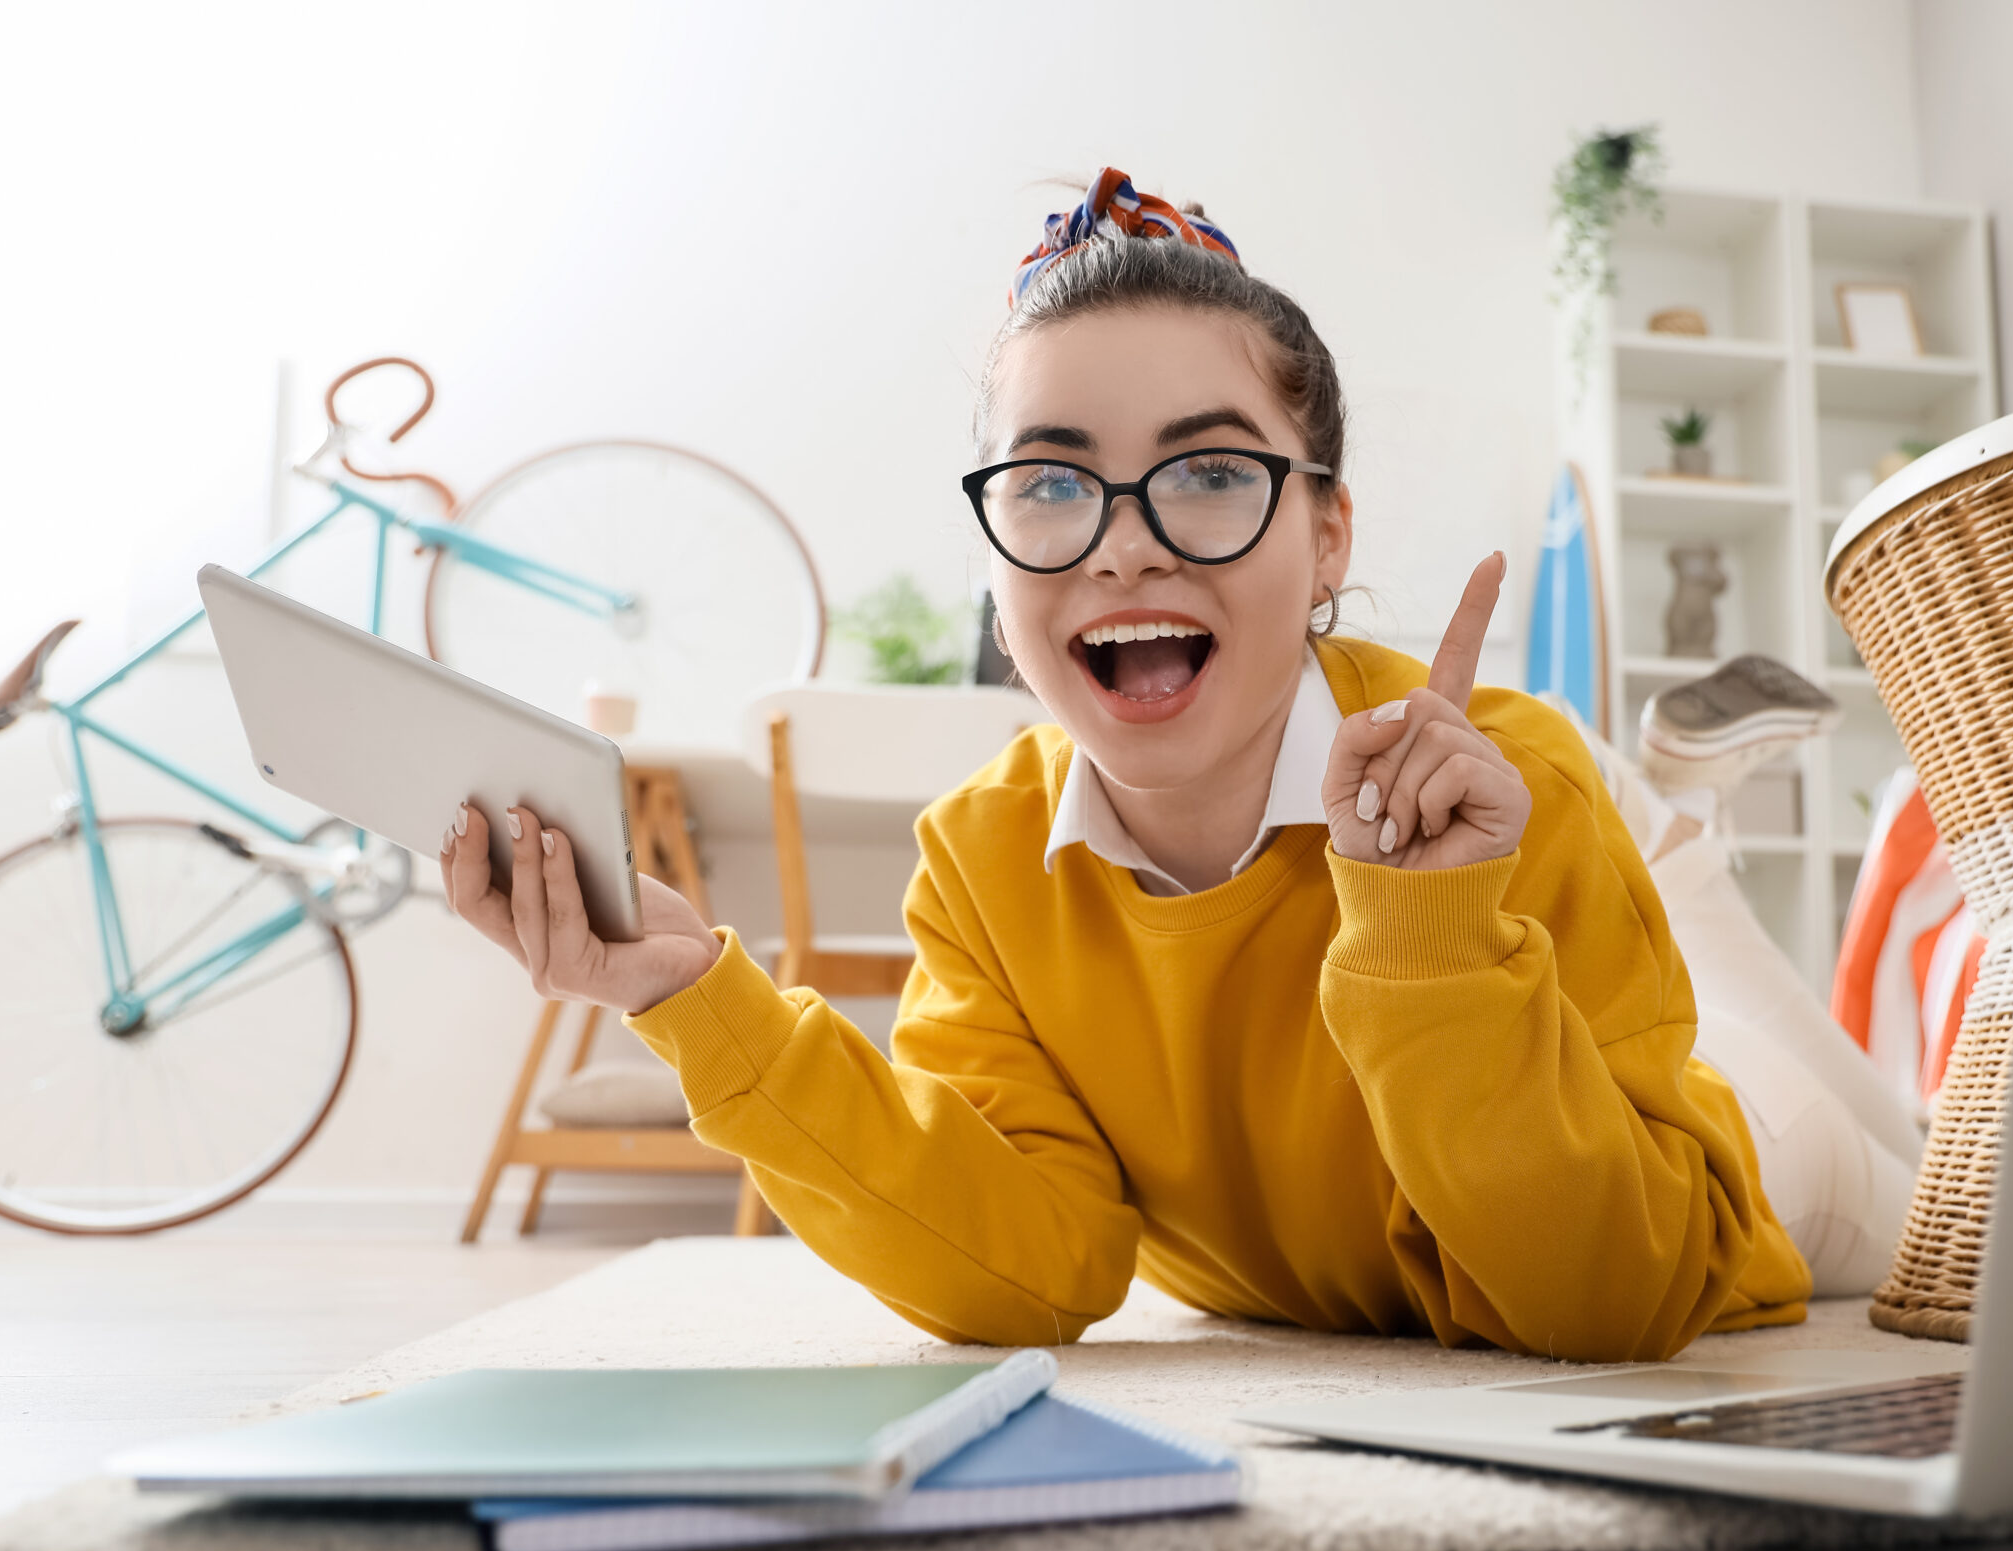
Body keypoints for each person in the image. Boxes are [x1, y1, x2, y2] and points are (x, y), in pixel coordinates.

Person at [440, 168, 1824, 1361]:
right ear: (992, 567)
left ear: (1328, 534)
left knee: (1952, 1186)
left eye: (1211, 472)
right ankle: (1682, 811)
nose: (1124, 542)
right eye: (1048, 484)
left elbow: (1620, 1301)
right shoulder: (980, 863)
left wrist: (1432, 936)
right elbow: (1026, 1267)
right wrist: (701, 998)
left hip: (1750, 1155)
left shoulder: (1506, 787)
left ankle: (1679, 814)